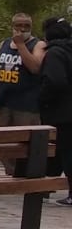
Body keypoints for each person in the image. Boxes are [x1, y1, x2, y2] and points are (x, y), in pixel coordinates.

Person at [0, 13, 43, 175]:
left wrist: (21, 46)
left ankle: (26, 174)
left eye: (26, 26)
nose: (22, 29)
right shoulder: (4, 44)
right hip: (5, 102)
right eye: (18, 25)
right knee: (4, 142)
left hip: (26, 104)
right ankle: (10, 173)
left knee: (25, 143)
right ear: (12, 26)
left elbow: (35, 68)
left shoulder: (38, 45)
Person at [38, 17, 72, 206]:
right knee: (61, 153)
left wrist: (42, 99)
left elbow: (55, 81)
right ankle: (45, 185)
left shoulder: (55, 53)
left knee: (66, 152)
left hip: (62, 113)